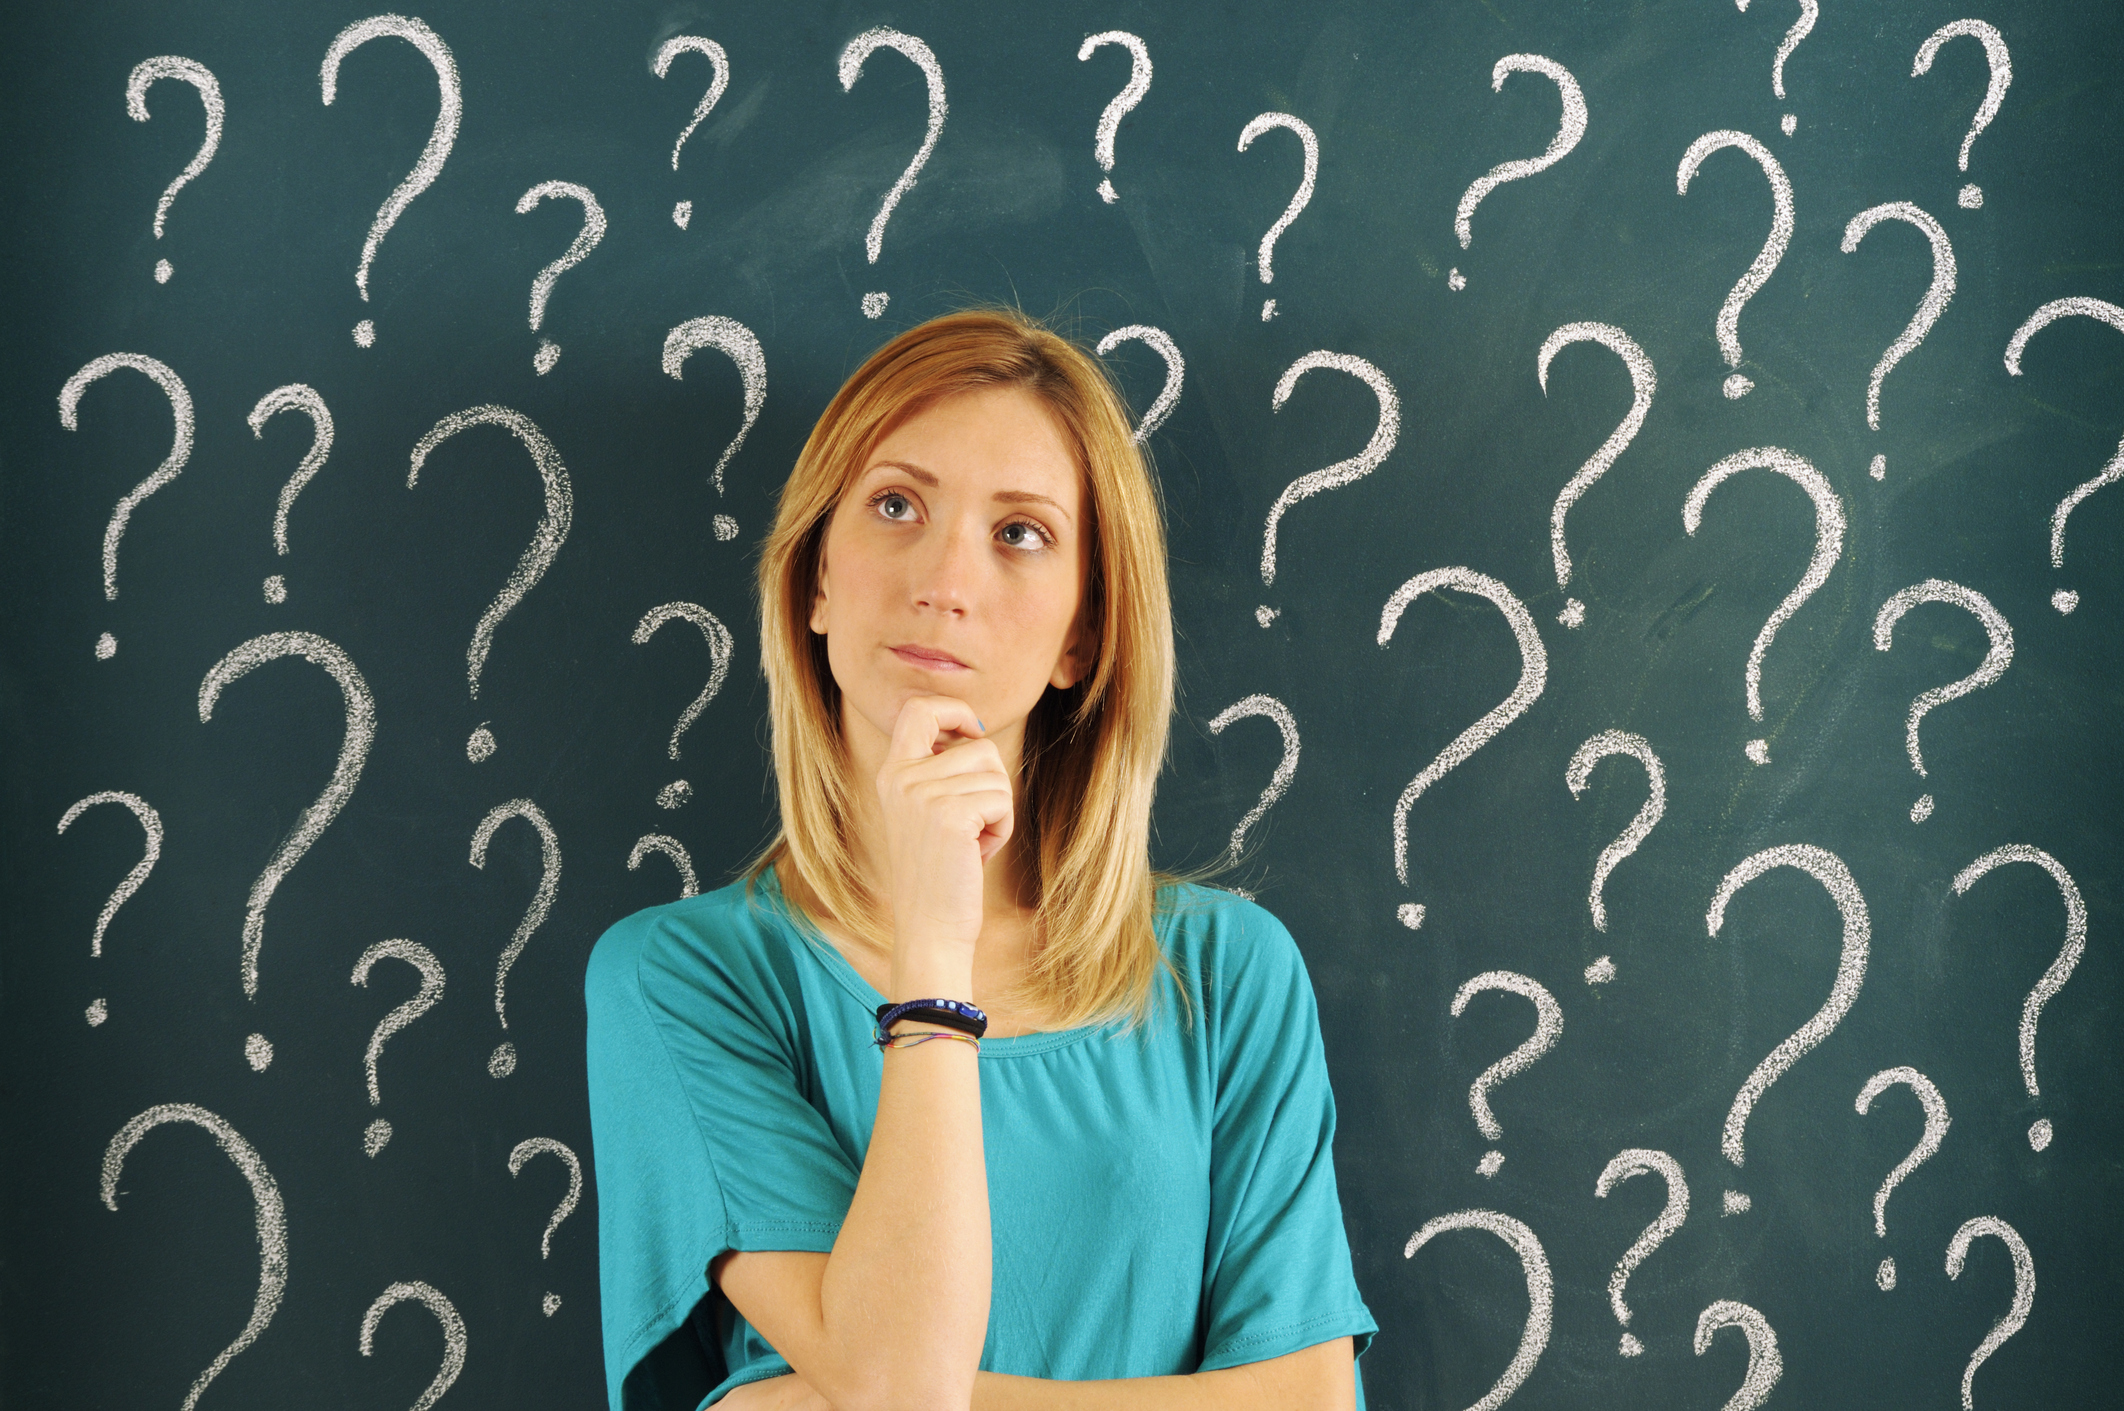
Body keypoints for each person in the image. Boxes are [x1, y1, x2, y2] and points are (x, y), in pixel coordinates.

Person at [585, 308, 1376, 1411]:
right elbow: (905, 1382)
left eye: (1021, 534)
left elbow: (1307, 1402)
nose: (945, 579)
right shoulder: (682, 978)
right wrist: (934, 947)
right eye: (897, 505)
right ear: (815, 577)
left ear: (1082, 637)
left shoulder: (1224, 972)